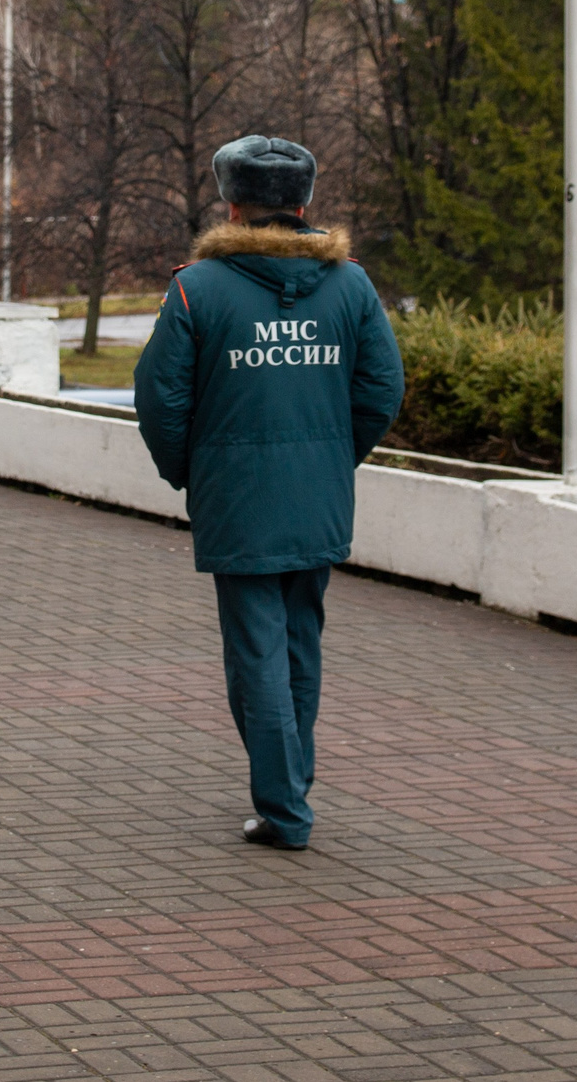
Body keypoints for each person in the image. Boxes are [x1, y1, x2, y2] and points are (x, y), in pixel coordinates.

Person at [133, 135, 405, 851]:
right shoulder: (352, 285)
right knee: (299, 646)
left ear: (232, 205)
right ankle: (291, 790)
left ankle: (284, 810)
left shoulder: (196, 288)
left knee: (255, 655)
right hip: (318, 497)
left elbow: (161, 401)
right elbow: (382, 389)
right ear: (304, 204)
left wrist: (192, 473)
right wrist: (333, 457)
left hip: (237, 500)